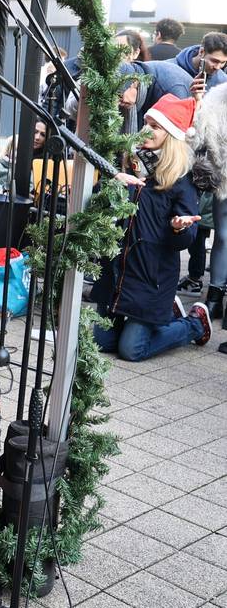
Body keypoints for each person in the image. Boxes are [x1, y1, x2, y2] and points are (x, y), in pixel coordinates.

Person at [92, 94, 211, 361]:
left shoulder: (180, 179)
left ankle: (193, 324)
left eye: (156, 126)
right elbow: (102, 202)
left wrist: (179, 228)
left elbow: (188, 236)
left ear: (170, 134)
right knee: (101, 341)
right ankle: (163, 316)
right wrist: (111, 185)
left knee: (131, 350)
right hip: (118, 272)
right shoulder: (130, 165)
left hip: (150, 280)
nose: (146, 130)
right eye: (146, 122)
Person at [189, 81, 227, 323]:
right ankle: (214, 298)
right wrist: (197, 102)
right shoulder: (217, 96)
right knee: (223, 236)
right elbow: (197, 135)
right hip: (223, 177)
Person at [172, 31, 227, 96]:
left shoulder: (223, 81)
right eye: (214, 61)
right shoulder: (170, 68)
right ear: (201, 52)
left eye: (223, 62)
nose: (218, 67)